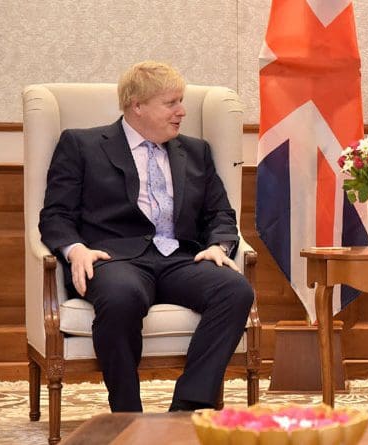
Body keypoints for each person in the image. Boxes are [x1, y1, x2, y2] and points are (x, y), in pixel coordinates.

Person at [39, 61, 254, 412]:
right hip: (114, 259)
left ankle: (187, 408)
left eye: (181, 102)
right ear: (137, 105)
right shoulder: (82, 145)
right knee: (120, 297)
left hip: (181, 259)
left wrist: (218, 245)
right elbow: (55, 215)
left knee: (235, 290)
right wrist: (75, 249)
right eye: (171, 103)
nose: (182, 112)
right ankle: (127, 414)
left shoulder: (196, 151)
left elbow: (220, 213)